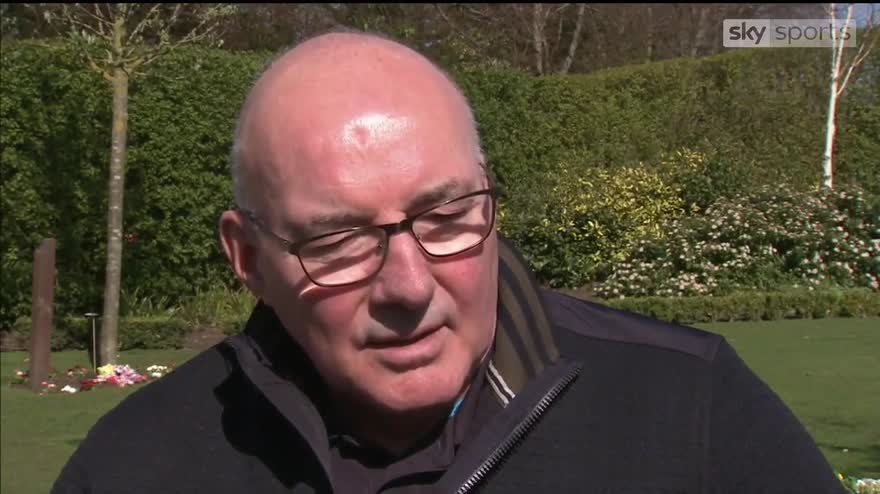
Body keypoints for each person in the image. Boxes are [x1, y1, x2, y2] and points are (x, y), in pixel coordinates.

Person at [52, 30, 845, 494]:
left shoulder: (695, 412)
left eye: (446, 217)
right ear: (249, 257)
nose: (409, 285)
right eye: (339, 240)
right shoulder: (137, 467)